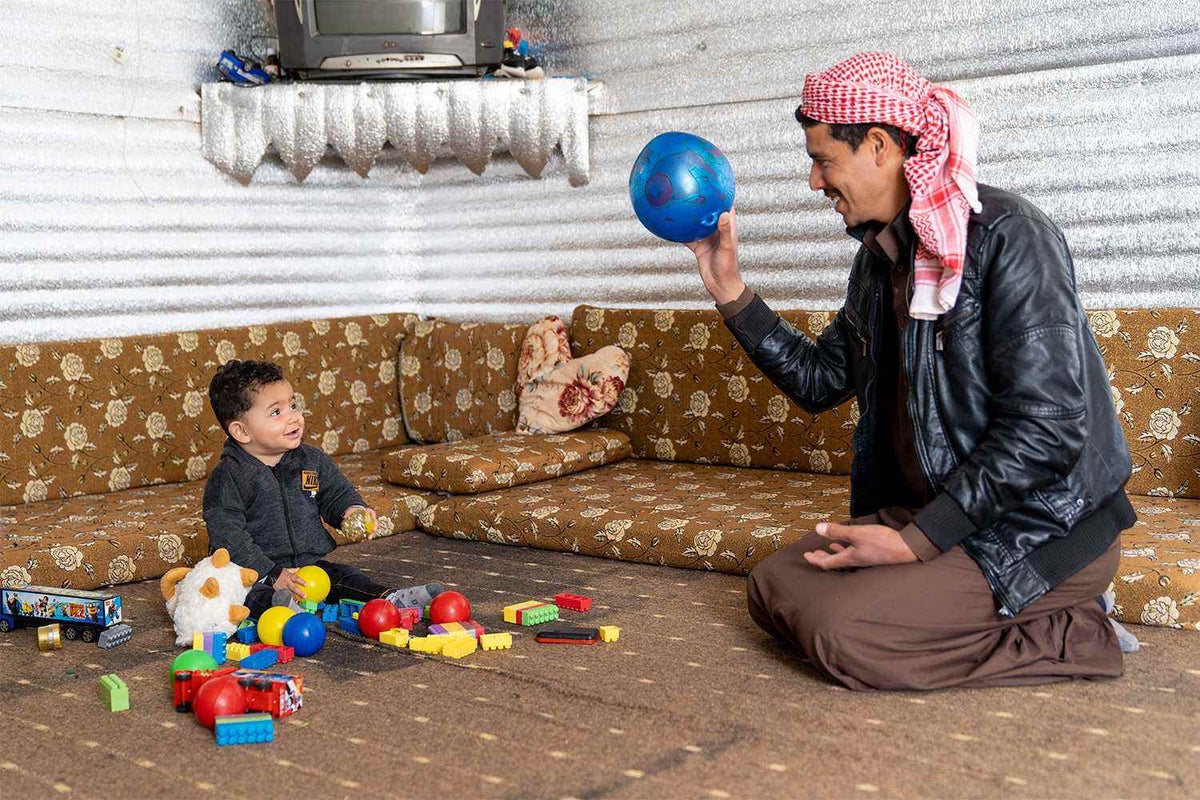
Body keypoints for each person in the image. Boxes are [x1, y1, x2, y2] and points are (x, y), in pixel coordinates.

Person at [686, 52, 1136, 691]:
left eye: (823, 160)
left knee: (845, 637)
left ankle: (1077, 627)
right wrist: (729, 288)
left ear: (878, 145)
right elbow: (820, 380)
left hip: (1038, 527)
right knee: (771, 587)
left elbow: (1048, 431)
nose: (815, 182)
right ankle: (958, 605)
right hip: (937, 516)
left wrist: (917, 542)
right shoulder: (877, 263)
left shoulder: (1012, 237)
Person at [203, 359, 442, 619]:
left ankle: (390, 599)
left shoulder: (310, 461)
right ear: (242, 431)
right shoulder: (229, 477)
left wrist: (351, 511)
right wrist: (271, 574)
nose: (294, 416)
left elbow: (336, 494)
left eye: (293, 405)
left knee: (345, 577)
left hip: (309, 568)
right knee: (243, 595)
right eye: (276, 412)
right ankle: (281, 609)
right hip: (255, 573)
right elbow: (228, 535)